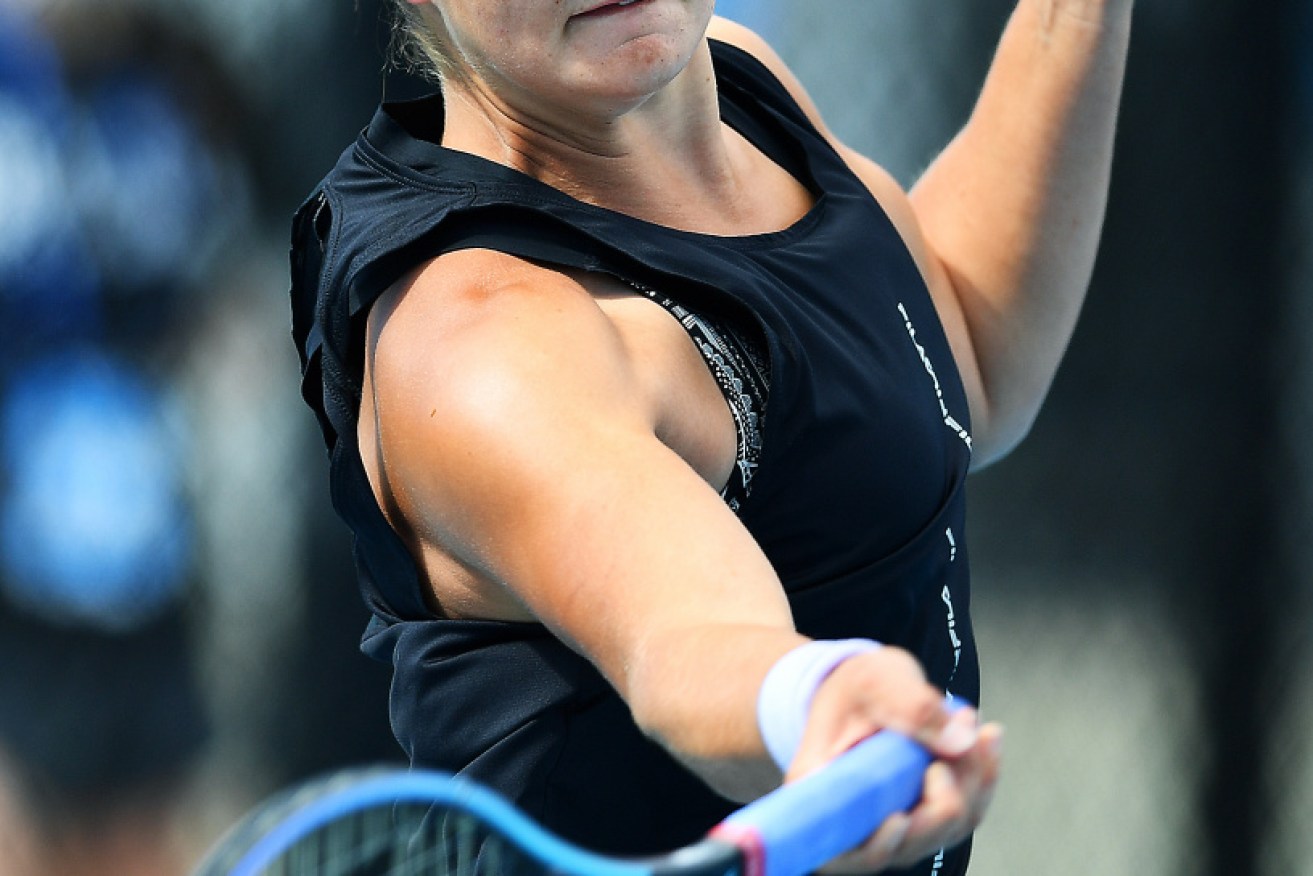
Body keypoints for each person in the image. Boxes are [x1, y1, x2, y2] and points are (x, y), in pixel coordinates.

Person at [289, 1, 1132, 873]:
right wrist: (815, 701)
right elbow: (686, 634)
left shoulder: (730, 76)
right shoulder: (480, 343)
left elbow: (967, 368)